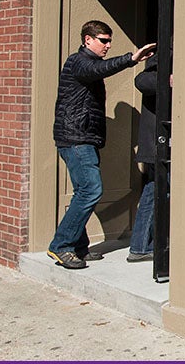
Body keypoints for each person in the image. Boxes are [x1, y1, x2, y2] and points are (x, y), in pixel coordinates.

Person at [49, 20, 156, 269]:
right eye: (103, 40)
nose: (108, 45)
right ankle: (61, 246)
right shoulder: (79, 62)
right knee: (91, 191)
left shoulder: (88, 64)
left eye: (110, 41)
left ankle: (77, 247)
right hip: (76, 140)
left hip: (82, 139)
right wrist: (131, 58)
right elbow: (98, 70)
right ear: (88, 40)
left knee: (83, 192)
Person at [126, 53, 168, 262]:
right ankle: (141, 246)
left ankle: (143, 245)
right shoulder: (165, 55)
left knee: (156, 191)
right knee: (156, 191)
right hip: (159, 145)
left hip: (163, 145)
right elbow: (141, 81)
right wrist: (169, 79)